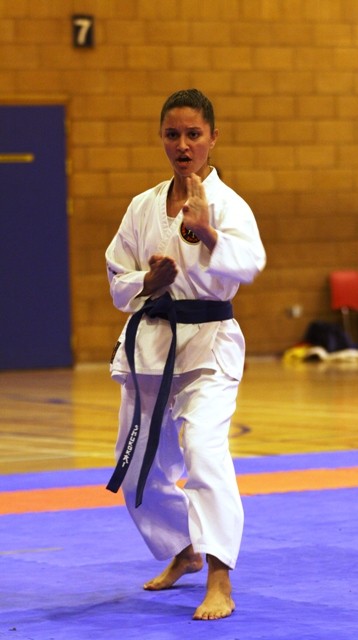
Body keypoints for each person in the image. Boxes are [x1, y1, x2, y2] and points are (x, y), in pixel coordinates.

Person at [105, 89, 266, 620]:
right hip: (152, 343)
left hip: (210, 344)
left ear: (213, 138)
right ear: (161, 138)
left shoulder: (229, 203)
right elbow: (117, 275)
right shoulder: (142, 205)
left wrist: (207, 232)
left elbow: (249, 262)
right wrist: (146, 282)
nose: (182, 145)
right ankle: (183, 548)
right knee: (136, 466)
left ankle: (219, 578)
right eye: (172, 134)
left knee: (203, 449)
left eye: (193, 134)